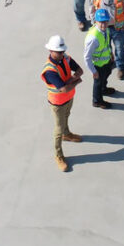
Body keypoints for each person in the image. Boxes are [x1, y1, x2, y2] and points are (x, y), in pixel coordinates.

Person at [41, 35, 84, 172]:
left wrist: (71, 80)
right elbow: (63, 88)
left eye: (62, 51)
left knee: (67, 116)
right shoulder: (49, 70)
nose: (61, 54)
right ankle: (58, 155)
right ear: (51, 51)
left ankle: (67, 134)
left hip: (69, 98)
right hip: (58, 102)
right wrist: (76, 81)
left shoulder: (65, 58)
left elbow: (80, 70)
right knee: (58, 129)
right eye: (59, 52)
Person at [87, 0, 124, 80]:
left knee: (119, 48)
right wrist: (93, 23)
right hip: (103, 29)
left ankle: (120, 66)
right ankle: (110, 62)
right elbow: (91, 9)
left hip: (117, 27)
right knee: (107, 48)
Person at [83, 8, 115, 109]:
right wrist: (93, 71)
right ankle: (97, 101)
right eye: (101, 22)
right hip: (98, 66)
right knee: (98, 82)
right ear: (96, 21)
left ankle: (103, 89)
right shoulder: (93, 38)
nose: (103, 24)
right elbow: (87, 57)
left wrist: (111, 54)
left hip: (106, 61)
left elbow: (107, 44)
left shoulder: (107, 30)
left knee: (106, 75)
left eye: (105, 21)